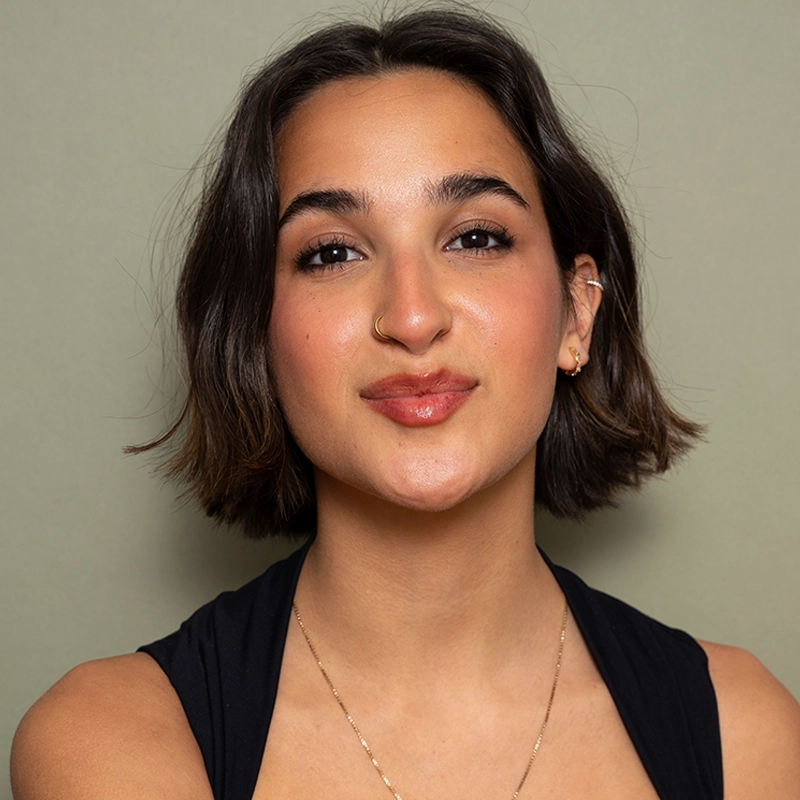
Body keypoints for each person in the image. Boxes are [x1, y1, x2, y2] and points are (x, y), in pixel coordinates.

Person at [11, 7, 800, 799]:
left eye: (476, 239)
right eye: (332, 252)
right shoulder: (109, 738)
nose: (414, 318)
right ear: (257, 335)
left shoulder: (747, 736)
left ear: (577, 312)